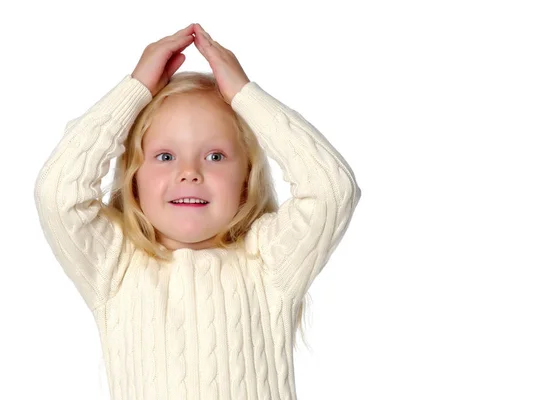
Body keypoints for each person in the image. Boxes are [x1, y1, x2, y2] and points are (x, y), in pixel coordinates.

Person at [33, 22, 361, 400]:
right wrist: (134, 90)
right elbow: (57, 192)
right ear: (133, 176)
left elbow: (331, 190)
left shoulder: (269, 262)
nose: (189, 172)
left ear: (247, 176)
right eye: (165, 156)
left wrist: (245, 95)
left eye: (215, 156)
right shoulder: (114, 265)